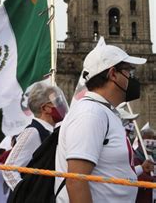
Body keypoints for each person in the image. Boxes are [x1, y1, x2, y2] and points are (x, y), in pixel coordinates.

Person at [55, 44, 147, 203]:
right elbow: (76, 181)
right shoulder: (91, 113)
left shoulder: (104, 111)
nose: (132, 79)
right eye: (129, 72)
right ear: (113, 74)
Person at [3, 81, 68, 190]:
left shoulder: (53, 131)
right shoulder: (33, 132)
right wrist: (26, 195)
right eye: (56, 101)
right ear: (44, 108)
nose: (61, 104)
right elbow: (9, 170)